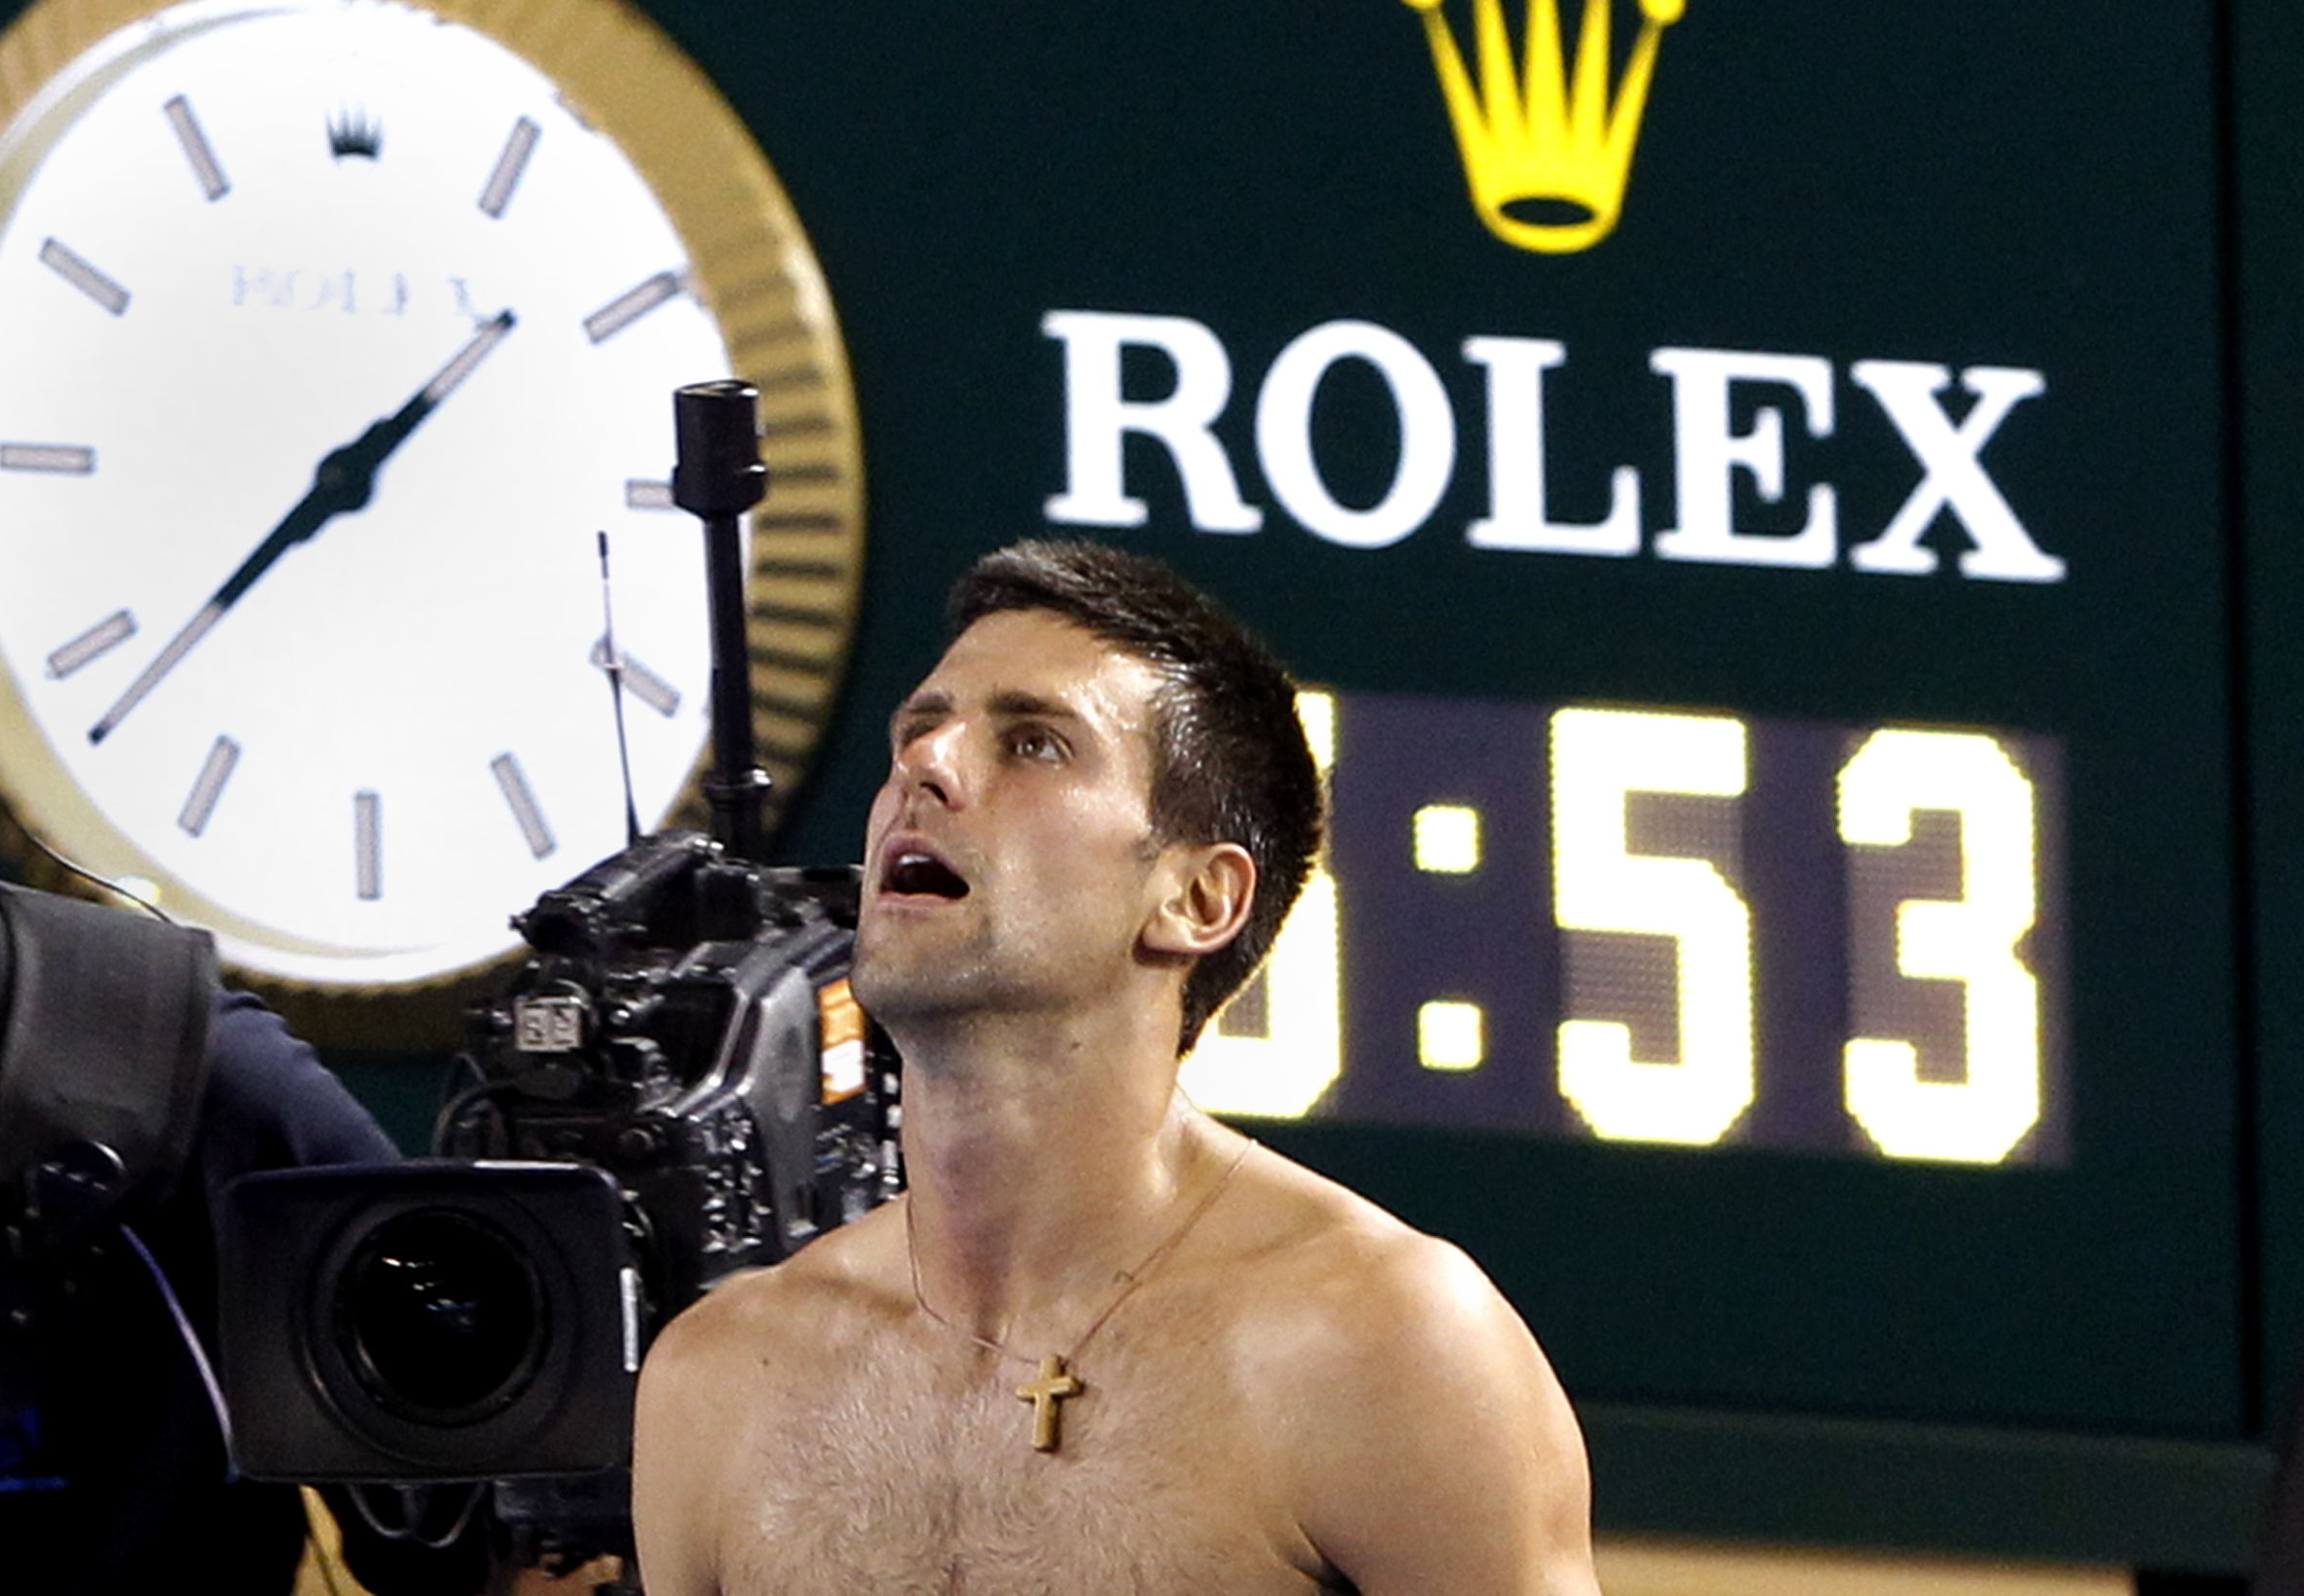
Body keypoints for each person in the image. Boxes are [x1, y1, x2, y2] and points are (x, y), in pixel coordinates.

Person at [633, 539, 1599, 1594]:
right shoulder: (721, 1381)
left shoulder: (1385, 1346)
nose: (927, 766)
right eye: (919, 731)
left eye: (1035, 744)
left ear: (1195, 899)